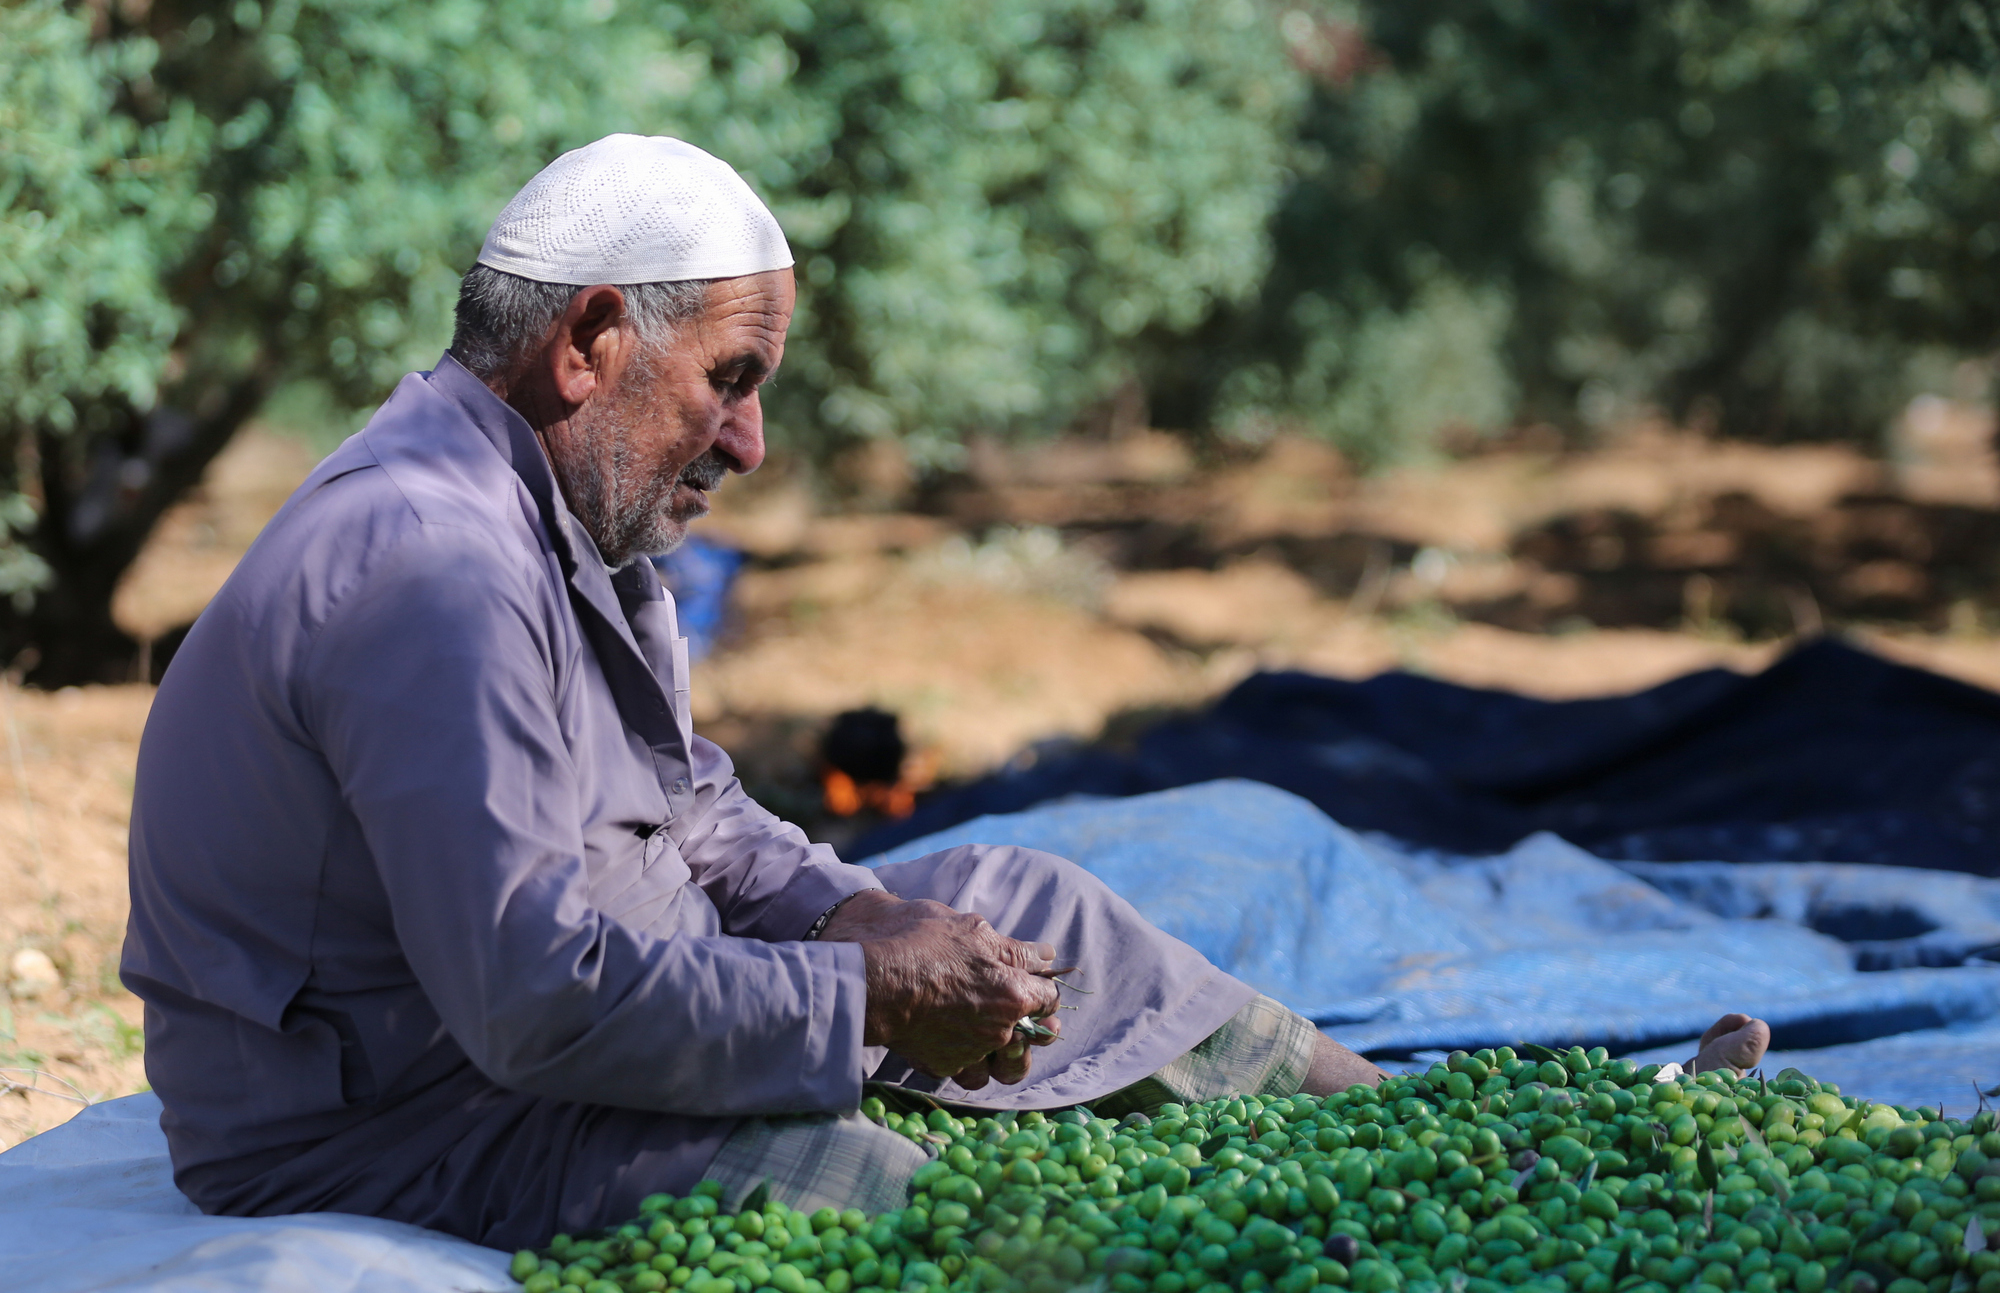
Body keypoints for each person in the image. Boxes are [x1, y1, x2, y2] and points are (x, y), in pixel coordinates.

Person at [121, 135, 1771, 1253]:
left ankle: (1445, 1144)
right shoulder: (428, 566)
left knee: (1027, 899)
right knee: (879, 1189)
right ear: (591, 343)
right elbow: (532, 1003)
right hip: (404, 1110)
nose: (753, 443)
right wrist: (867, 1008)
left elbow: (687, 804)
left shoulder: (573, 505)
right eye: (732, 382)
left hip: (556, 1015)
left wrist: (859, 922)